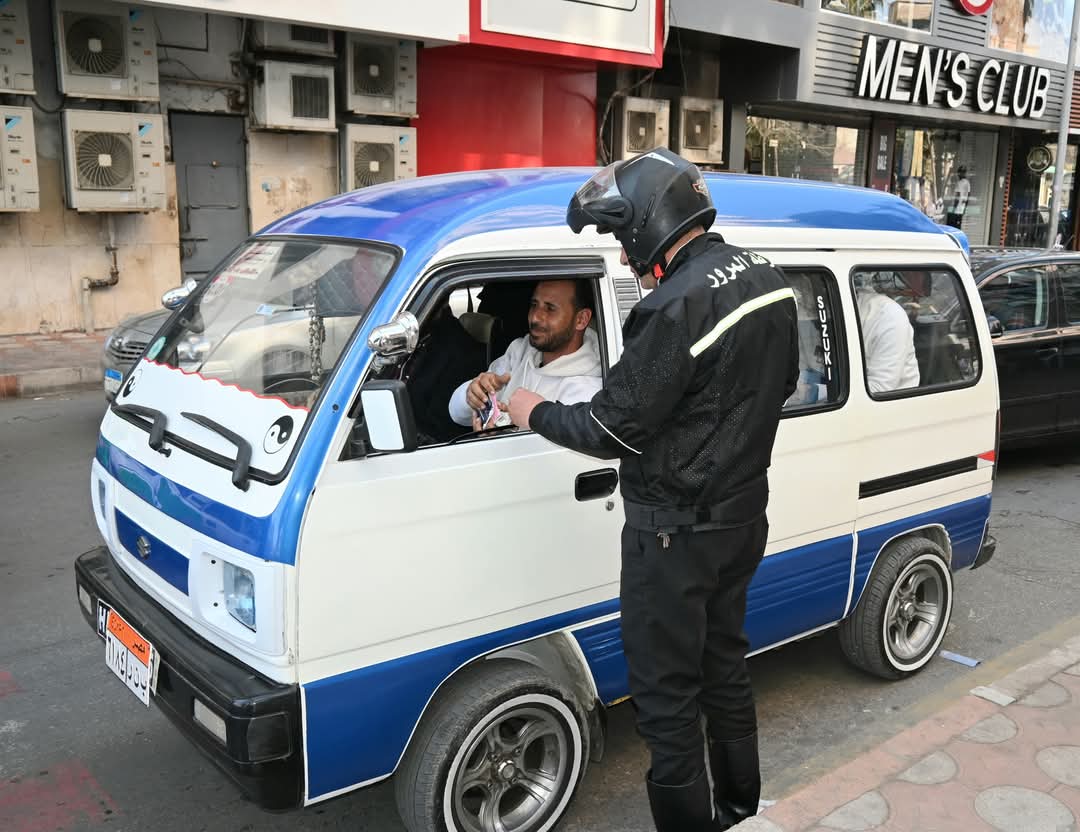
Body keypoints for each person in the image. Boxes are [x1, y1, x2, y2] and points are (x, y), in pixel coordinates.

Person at [507, 148, 800, 831]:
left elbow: (611, 427)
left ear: (649, 224)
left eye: (621, 236)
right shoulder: (768, 278)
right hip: (742, 519)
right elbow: (779, 386)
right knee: (724, 665)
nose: (621, 253)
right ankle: (739, 809)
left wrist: (532, 409)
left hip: (672, 537)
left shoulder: (672, 307)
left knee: (666, 701)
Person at [448, 279, 602, 429]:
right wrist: (472, 394)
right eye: (534, 305)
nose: (535, 317)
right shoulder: (520, 351)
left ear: (581, 319)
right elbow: (458, 415)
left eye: (550, 309)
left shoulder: (587, 393)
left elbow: (554, 446)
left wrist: (499, 437)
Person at [854, 281, 920, 393]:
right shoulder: (832, 314)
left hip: (894, 401)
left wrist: (825, 392)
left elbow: (880, 388)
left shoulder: (888, 316)